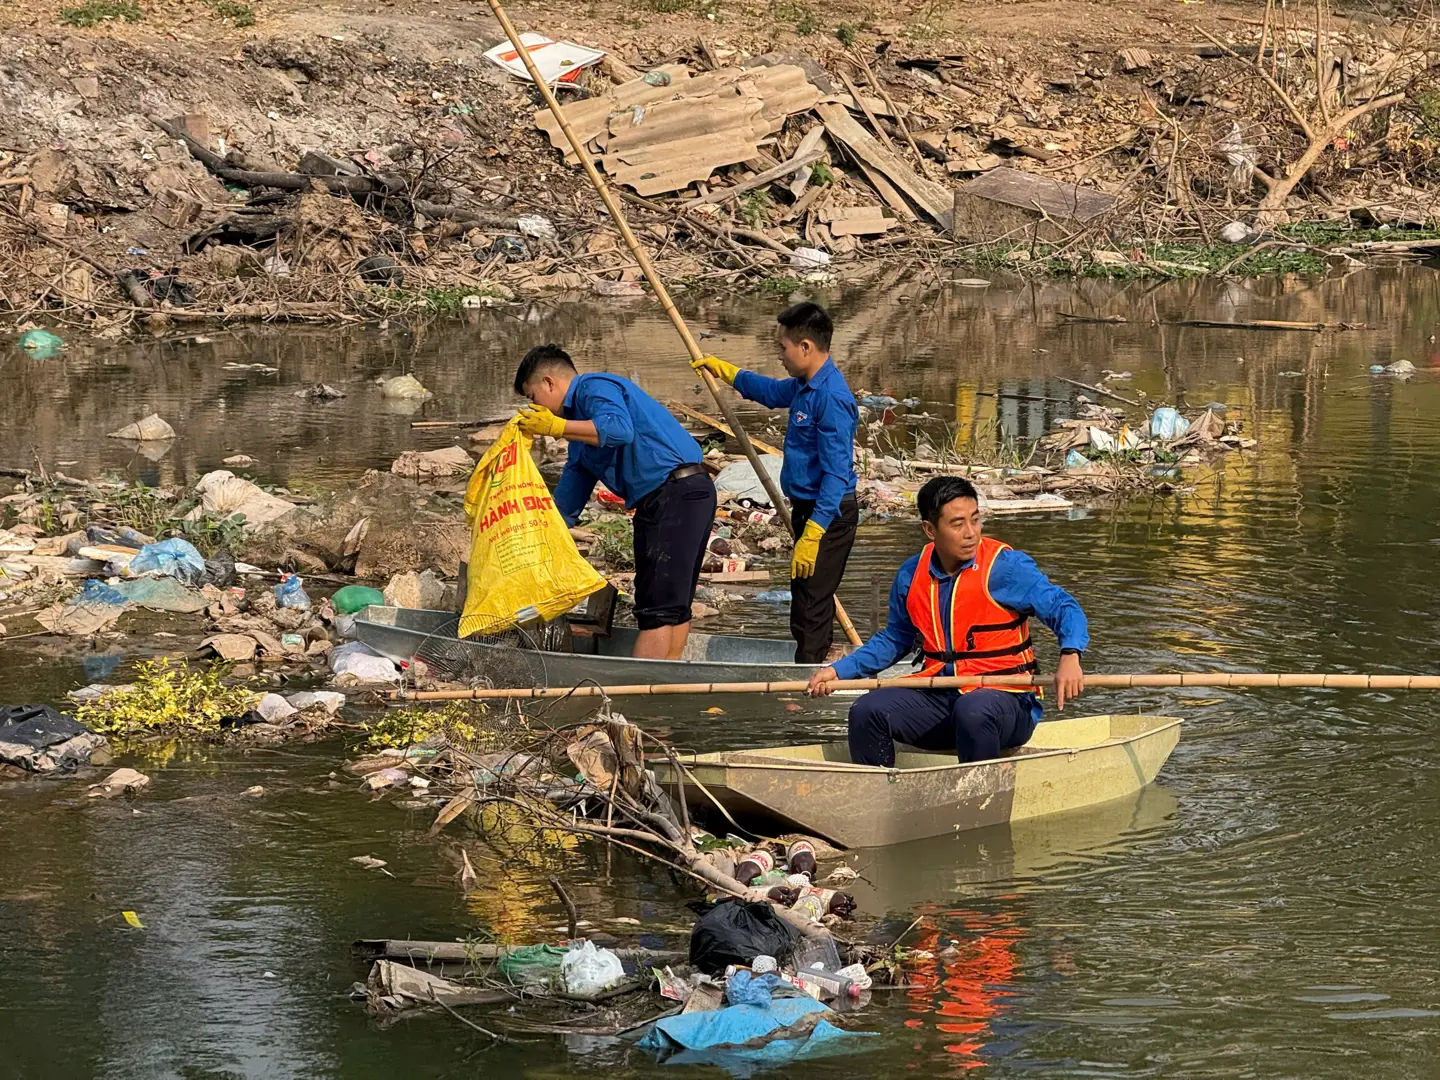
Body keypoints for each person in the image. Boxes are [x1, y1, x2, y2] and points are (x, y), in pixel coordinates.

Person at [807, 475, 1088, 766]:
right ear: (930, 529)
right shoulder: (910, 574)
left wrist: (1070, 655)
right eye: (957, 524)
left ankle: (980, 802)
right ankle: (878, 796)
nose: (971, 533)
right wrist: (840, 671)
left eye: (975, 520)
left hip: (1007, 699)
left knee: (973, 710)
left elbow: (1064, 607)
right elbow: (895, 639)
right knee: (866, 711)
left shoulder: (1006, 567)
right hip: (941, 695)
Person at [510, 344, 717, 660]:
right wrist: (535, 544)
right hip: (677, 497)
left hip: (676, 493)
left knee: (659, 608)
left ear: (549, 383)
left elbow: (619, 430)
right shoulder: (581, 438)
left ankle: (642, 695)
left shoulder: (595, 388)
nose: (537, 408)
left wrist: (557, 427)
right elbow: (565, 505)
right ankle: (667, 684)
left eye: (533, 397)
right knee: (672, 605)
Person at [691, 302, 858, 664]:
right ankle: (814, 660)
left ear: (805, 347)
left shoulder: (831, 398)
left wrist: (815, 532)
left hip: (828, 515)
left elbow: (836, 474)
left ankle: (812, 677)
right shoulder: (804, 385)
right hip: (807, 509)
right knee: (803, 598)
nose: (780, 355)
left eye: (782, 347)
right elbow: (767, 391)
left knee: (813, 603)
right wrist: (724, 371)